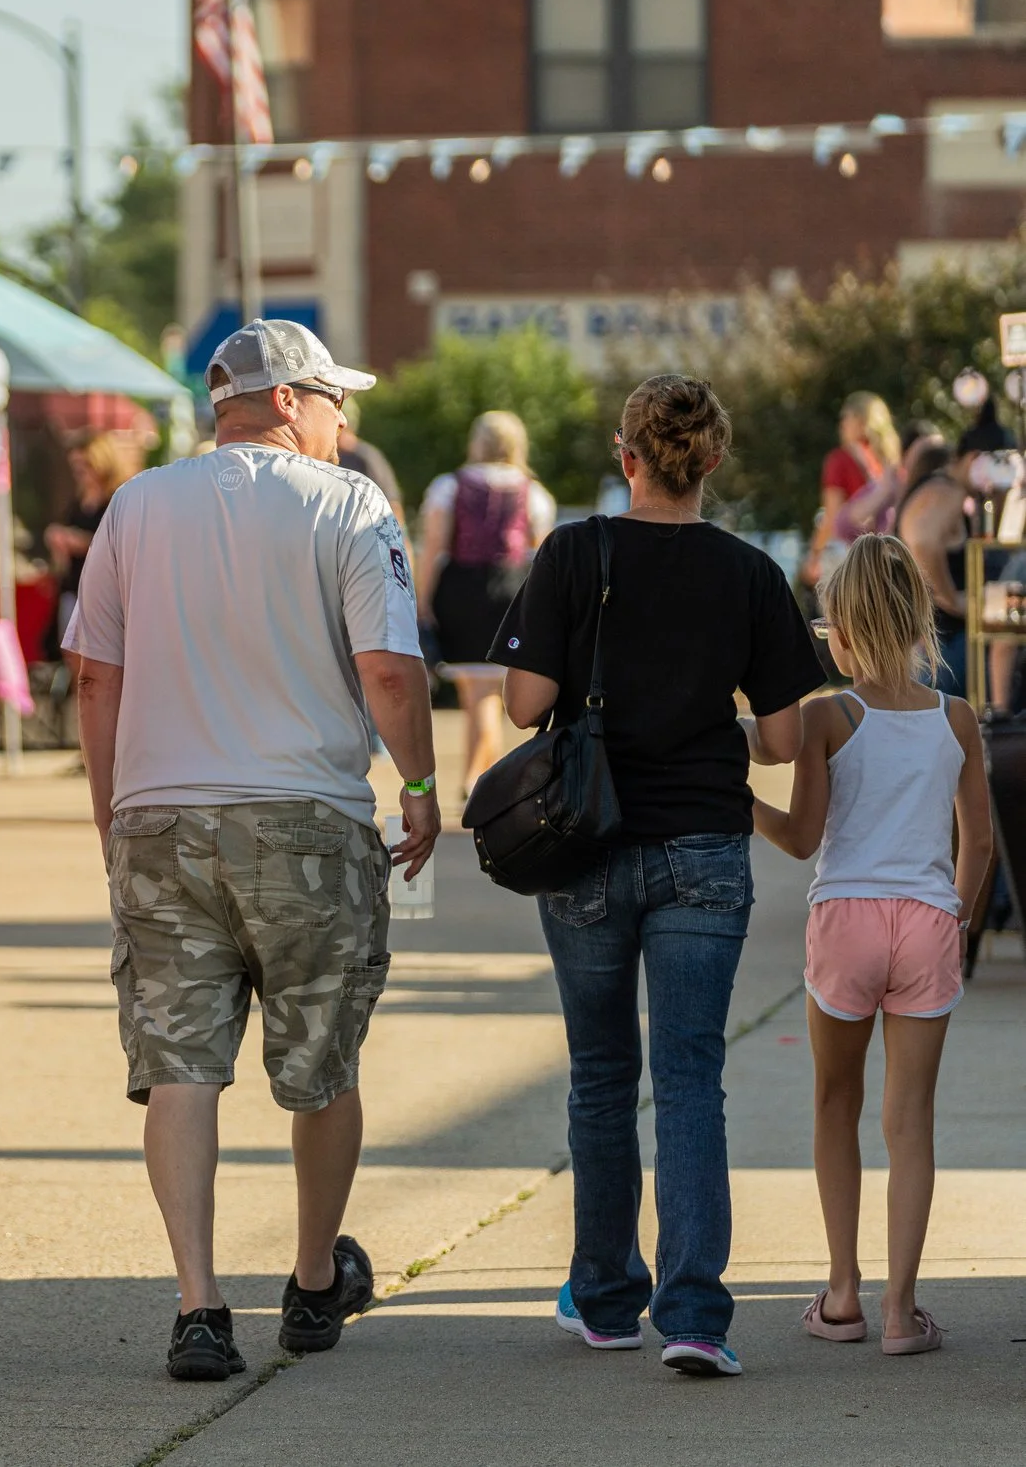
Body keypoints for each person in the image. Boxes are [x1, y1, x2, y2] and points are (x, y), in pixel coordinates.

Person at [66, 319, 437, 1384]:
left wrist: (113, 815)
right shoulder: (348, 503)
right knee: (319, 1062)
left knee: (178, 1066)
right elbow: (389, 668)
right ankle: (316, 1277)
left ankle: (197, 1301)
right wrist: (415, 784)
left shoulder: (135, 506)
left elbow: (95, 675)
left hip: (159, 820)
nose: (341, 419)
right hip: (305, 818)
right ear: (284, 400)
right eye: (330, 397)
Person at [494, 374, 827, 1379]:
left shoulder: (571, 552)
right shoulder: (751, 574)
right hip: (703, 847)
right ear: (711, 462)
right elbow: (777, 737)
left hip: (585, 844)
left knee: (601, 1076)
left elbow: (519, 706)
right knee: (690, 1080)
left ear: (623, 452)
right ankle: (693, 1313)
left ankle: (603, 1295)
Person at [748, 534, 990, 1358]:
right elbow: (981, 842)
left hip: (846, 917)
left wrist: (739, 795)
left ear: (842, 633)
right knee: (909, 1119)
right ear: (919, 621)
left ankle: (843, 1292)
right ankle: (901, 1312)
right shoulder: (956, 718)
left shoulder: (826, 715)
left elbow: (800, 835)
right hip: (926, 920)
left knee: (834, 1103)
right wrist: (951, 918)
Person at [419, 411, 557, 792]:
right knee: (487, 692)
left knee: (476, 691)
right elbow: (542, 553)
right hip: (512, 590)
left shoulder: (449, 486)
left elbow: (434, 546)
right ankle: (489, 777)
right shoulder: (534, 491)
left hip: (462, 590)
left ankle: (474, 779)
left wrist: (422, 599)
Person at [896, 409, 1005, 696]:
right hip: (945, 646)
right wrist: (953, 600)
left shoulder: (938, 487)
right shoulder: (948, 490)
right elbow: (923, 542)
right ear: (974, 459)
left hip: (931, 646)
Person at [40, 431, 144, 662]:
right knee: (73, 658)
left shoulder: (117, 498)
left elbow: (122, 543)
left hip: (104, 592)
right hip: (74, 586)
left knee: (99, 662)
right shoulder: (79, 500)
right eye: (75, 467)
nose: (80, 473)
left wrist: (82, 542)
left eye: (85, 465)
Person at [806, 393, 900, 585]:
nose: (842, 424)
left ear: (860, 420)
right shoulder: (891, 462)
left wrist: (814, 556)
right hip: (885, 556)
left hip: (849, 558)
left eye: (845, 417)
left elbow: (832, 515)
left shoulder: (839, 460)